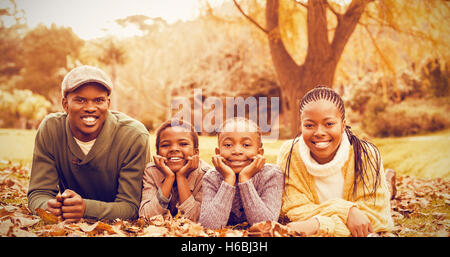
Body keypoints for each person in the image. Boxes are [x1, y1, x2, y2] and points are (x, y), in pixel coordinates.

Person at [27, 65, 151, 222]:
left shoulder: (133, 136)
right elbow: (38, 192)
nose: (90, 108)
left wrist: (86, 209)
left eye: (99, 100)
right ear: (65, 104)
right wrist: (49, 207)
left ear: (108, 103)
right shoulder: (51, 129)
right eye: (80, 100)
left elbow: (131, 207)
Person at [277, 85, 394, 237]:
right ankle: (388, 183)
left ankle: (388, 183)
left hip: (366, 194)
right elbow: (293, 210)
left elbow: (375, 220)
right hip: (345, 214)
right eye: (309, 125)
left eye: (329, 124)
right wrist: (347, 210)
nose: (319, 132)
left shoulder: (366, 154)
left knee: (384, 194)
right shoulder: (290, 153)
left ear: (343, 125)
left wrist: (316, 225)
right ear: (301, 125)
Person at [199, 117, 284, 229]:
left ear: (260, 153)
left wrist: (245, 179)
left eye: (246, 145)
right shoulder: (211, 178)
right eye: (228, 145)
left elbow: (265, 225)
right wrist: (228, 180)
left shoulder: (272, 175)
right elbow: (208, 226)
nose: (237, 151)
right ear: (218, 152)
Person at [139, 119, 211, 222]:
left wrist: (181, 177)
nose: (174, 149)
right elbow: (146, 216)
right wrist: (169, 177)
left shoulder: (205, 174)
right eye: (165, 145)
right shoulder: (151, 172)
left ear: (196, 152)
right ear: (158, 152)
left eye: (183, 144)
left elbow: (196, 219)